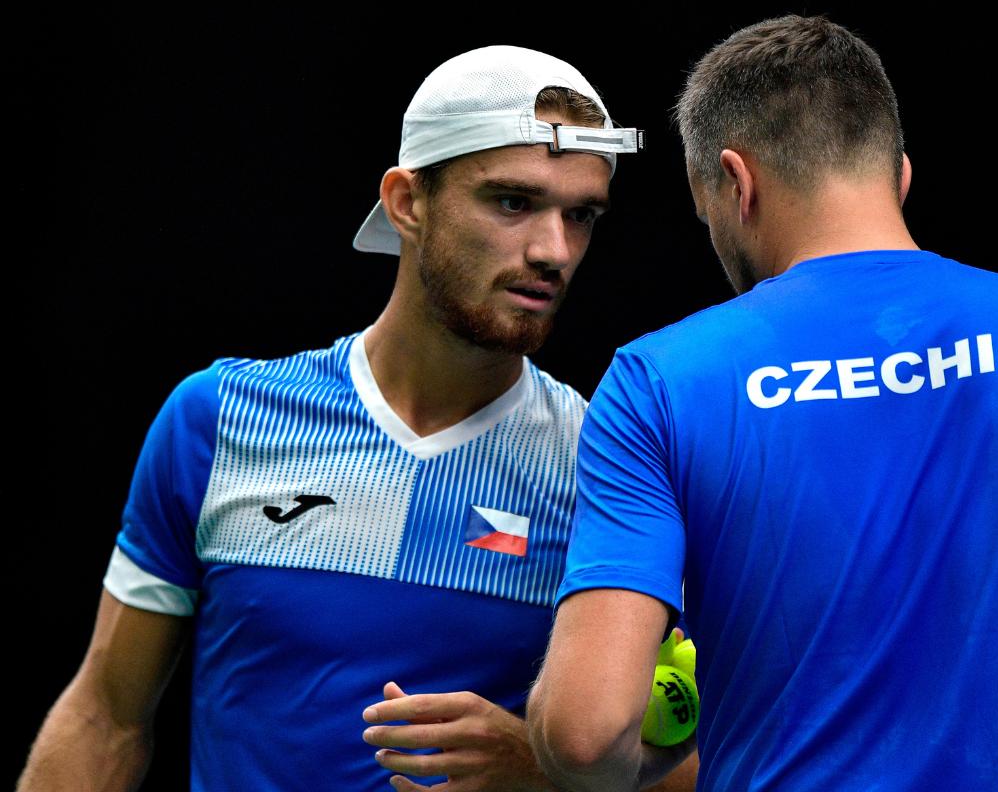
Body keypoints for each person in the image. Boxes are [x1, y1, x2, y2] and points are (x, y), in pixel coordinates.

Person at [527, 14, 998, 791]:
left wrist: (649, 751)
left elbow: (583, 736)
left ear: (735, 184)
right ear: (899, 176)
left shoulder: (659, 383)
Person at [18, 45, 696, 792]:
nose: (554, 250)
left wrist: (550, 769)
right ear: (408, 202)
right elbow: (104, 719)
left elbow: (709, 755)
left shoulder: (613, 467)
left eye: (582, 216)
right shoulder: (218, 420)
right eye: (513, 202)